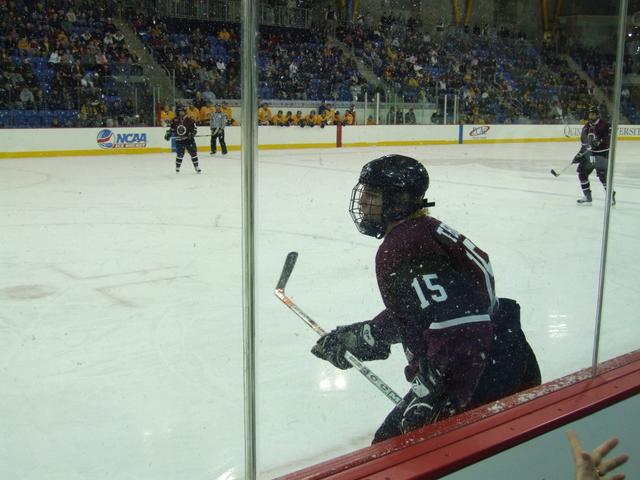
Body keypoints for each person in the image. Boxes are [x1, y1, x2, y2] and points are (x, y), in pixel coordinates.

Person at [311, 155, 541, 443]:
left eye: (372, 195)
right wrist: (369, 335)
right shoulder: (424, 230)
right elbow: (430, 310)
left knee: (391, 450)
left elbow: (463, 324)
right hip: (502, 358)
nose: (363, 204)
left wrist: (438, 394)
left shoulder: (404, 246)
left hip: (481, 376)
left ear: (399, 201)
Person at [572, 105, 616, 205]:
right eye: (590, 114)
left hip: (602, 154)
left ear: (597, 115)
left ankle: (611, 196)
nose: (591, 116)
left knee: (602, 176)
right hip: (590, 155)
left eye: (593, 114)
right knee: (582, 173)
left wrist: (599, 141)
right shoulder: (586, 127)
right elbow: (584, 145)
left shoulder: (605, 125)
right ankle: (587, 197)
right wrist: (579, 155)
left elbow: (609, 139)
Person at [165, 105, 201, 173]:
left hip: (189, 140)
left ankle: (196, 167)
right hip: (179, 140)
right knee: (180, 154)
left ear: (185, 112)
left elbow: (194, 130)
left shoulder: (190, 120)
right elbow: (172, 129)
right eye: (179, 111)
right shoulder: (175, 120)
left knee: (193, 153)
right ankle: (177, 167)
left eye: (182, 111)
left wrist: (192, 134)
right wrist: (168, 134)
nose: (181, 113)